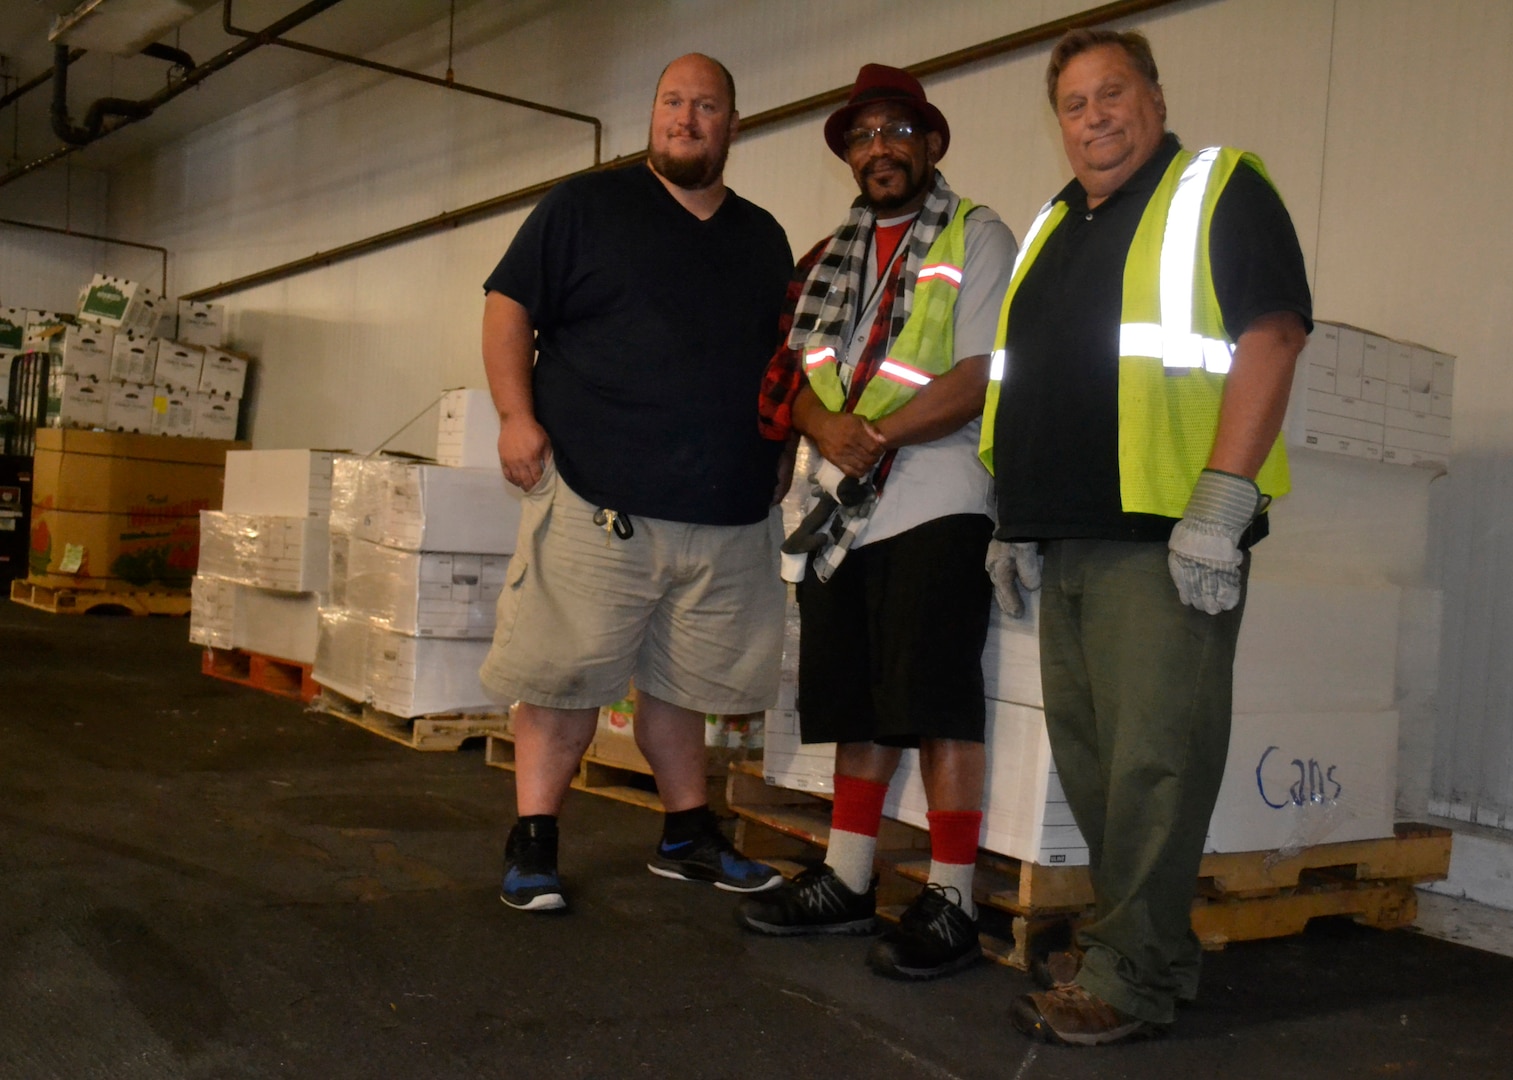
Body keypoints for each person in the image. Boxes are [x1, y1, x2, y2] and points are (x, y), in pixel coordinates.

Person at [979, 29, 1313, 1043]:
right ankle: (1146, 951)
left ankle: (1127, 978)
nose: (1094, 118)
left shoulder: (1218, 189)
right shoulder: (1052, 224)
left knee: (1152, 767)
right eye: (1074, 104)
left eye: (1111, 94)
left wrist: (1220, 499)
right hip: (1069, 535)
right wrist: (1010, 515)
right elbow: (1022, 375)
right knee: (1095, 764)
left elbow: (1274, 331)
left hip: (1166, 537)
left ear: (1156, 100)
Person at [478, 53, 794, 914]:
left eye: (706, 106)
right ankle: (534, 841)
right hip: (594, 494)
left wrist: (780, 449)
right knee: (559, 677)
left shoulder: (762, 236)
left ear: (733, 124)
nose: (686, 119)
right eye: (672, 102)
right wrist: (515, 414)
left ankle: (686, 835)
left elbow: (781, 362)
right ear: (651, 116)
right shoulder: (584, 207)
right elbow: (508, 305)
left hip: (724, 512)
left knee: (686, 687)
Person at [737, 64, 1017, 981]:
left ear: (932, 145)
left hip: (935, 497)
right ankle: (850, 880)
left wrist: (875, 436)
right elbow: (794, 377)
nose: (879, 148)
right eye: (863, 136)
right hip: (841, 512)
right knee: (856, 701)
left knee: (935, 703)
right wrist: (828, 432)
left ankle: (950, 900)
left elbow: (980, 374)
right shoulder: (826, 258)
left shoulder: (976, 236)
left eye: (898, 132)